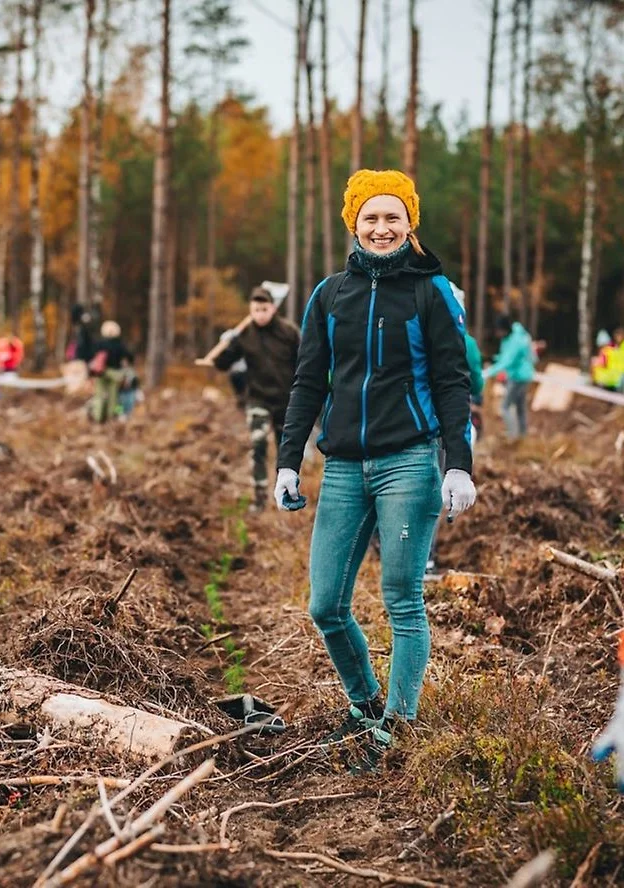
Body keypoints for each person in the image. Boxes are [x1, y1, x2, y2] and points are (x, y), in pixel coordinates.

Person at [274, 169, 476, 770]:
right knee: (324, 606)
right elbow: (309, 381)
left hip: (409, 463)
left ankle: (399, 725)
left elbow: (452, 381)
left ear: (409, 223)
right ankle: (364, 705)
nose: (382, 227)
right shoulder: (329, 294)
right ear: (353, 223)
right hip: (342, 469)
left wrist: (457, 465)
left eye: (393, 217)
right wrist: (288, 461)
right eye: (371, 217)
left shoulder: (430, 292)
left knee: (402, 600)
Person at [214, 287, 300, 512]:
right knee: (258, 444)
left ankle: (284, 496)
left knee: (286, 451)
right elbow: (222, 363)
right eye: (256, 310)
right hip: (258, 399)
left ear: (273, 308)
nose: (260, 314)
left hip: (286, 400)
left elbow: (304, 360)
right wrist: (227, 342)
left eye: (264, 309)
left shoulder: (289, 332)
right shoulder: (244, 335)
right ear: (250, 310)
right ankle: (259, 498)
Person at [425, 282, 484, 575]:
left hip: (423, 424)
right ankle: (425, 558)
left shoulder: (414, 325)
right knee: (432, 491)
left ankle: (414, 554)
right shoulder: (465, 339)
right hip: (440, 425)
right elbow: (474, 378)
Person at [483, 314, 536, 440]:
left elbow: (507, 361)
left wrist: (486, 373)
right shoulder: (510, 338)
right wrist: (492, 358)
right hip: (522, 375)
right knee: (520, 407)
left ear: (504, 329)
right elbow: (504, 356)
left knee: (505, 407)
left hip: (518, 377)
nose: (497, 334)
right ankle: (522, 436)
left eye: (498, 331)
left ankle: (513, 437)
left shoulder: (516, 341)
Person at [89, 320, 134, 423]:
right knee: (114, 397)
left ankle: (98, 417)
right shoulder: (120, 344)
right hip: (115, 374)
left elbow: (92, 358)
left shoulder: (99, 343)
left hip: (101, 373)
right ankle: (112, 417)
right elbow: (130, 357)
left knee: (99, 395)